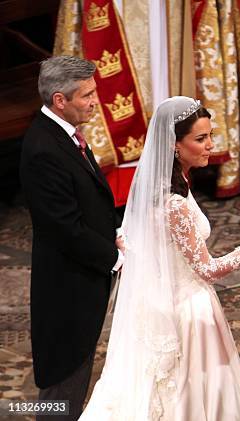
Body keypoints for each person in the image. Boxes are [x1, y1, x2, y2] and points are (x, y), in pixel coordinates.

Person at [79, 96, 240, 420]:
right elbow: (207, 269)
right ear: (175, 145)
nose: (210, 146)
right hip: (187, 311)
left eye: (210, 136)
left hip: (166, 299)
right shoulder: (173, 203)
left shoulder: (168, 186)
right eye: (200, 139)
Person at [20, 56, 124, 420]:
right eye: (87, 95)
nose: (96, 101)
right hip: (66, 286)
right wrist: (114, 257)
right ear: (60, 100)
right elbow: (64, 227)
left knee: (77, 375)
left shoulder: (63, 135)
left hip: (82, 278)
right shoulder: (43, 150)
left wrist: (115, 232)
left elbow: (88, 196)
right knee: (64, 382)